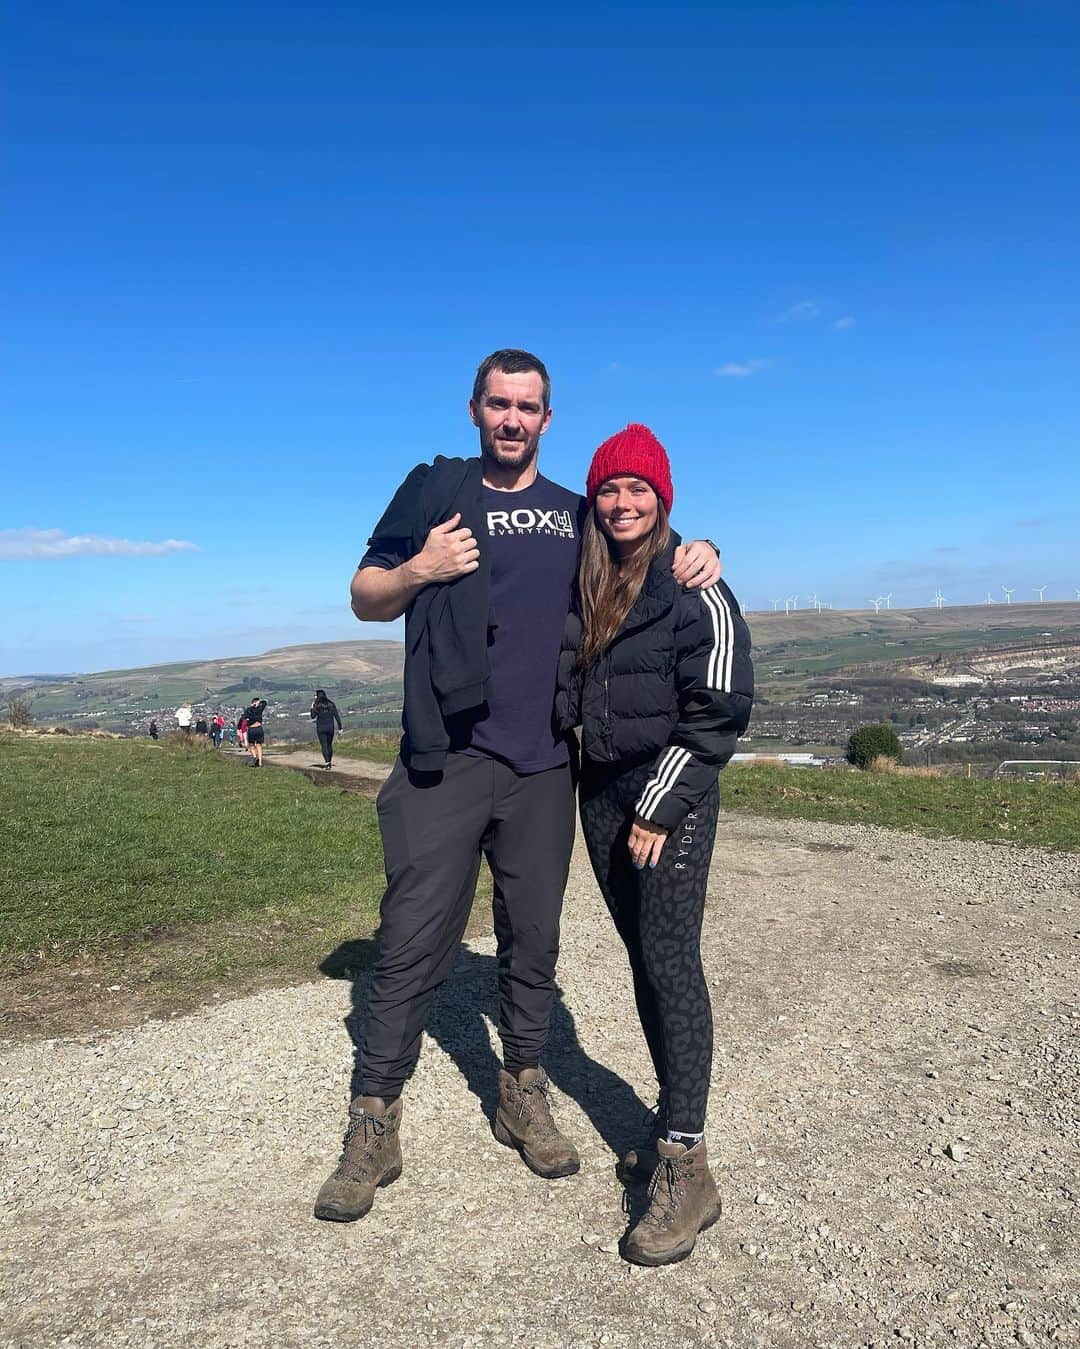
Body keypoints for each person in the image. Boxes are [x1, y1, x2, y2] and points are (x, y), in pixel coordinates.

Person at [314, 349, 722, 1224]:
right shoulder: (434, 490)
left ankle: (521, 1087)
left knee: (533, 937)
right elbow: (363, 595)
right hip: (445, 759)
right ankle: (373, 1120)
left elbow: (643, 539)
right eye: (498, 403)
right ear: (473, 410)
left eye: (527, 406)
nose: (511, 418)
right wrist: (420, 568)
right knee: (412, 934)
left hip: (544, 764)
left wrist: (704, 549)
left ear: (547, 418)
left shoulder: (575, 513)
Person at [554, 424, 753, 1266]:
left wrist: (659, 805)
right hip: (598, 794)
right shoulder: (589, 575)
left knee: (672, 964)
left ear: (663, 499)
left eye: (639, 489)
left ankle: (687, 1161)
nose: (623, 502)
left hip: (666, 800)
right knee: (642, 962)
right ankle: (670, 1115)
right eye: (609, 489)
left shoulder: (693, 584)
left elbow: (719, 707)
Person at [310, 690, 343, 767]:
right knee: (329, 745)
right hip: (330, 728)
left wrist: (312, 707)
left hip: (321, 728)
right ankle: (329, 761)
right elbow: (337, 716)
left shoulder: (317, 705)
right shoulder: (331, 704)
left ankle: (327, 762)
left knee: (324, 745)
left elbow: (312, 716)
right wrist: (340, 728)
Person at [242, 698, 267, 766]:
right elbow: (265, 702)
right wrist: (260, 702)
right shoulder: (260, 709)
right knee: (259, 746)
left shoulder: (249, 710)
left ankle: (255, 757)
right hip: (259, 728)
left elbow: (244, 717)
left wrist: (252, 706)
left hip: (252, 729)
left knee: (251, 745)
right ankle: (260, 762)